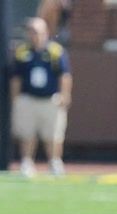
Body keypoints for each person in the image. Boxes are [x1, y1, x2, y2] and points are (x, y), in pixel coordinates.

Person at [10, 17, 72, 177]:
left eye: (36, 32)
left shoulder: (55, 52)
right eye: (30, 32)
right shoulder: (22, 51)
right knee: (27, 133)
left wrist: (65, 95)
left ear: (45, 32)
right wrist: (16, 98)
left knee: (53, 135)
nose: (33, 35)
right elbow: (16, 77)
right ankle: (27, 162)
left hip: (50, 98)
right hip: (28, 98)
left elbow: (64, 76)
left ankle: (55, 162)